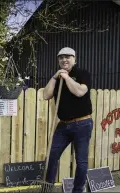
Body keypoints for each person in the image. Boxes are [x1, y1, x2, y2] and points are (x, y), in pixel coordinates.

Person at [43, 47, 93, 193]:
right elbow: (46, 95)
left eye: (68, 57)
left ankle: (77, 190)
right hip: (63, 126)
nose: (64, 59)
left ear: (74, 59)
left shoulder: (83, 73)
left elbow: (80, 92)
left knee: (81, 161)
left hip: (82, 123)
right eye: (61, 57)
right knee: (51, 156)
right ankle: (47, 188)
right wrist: (55, 77)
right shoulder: (57, 77)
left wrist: (66, 78)